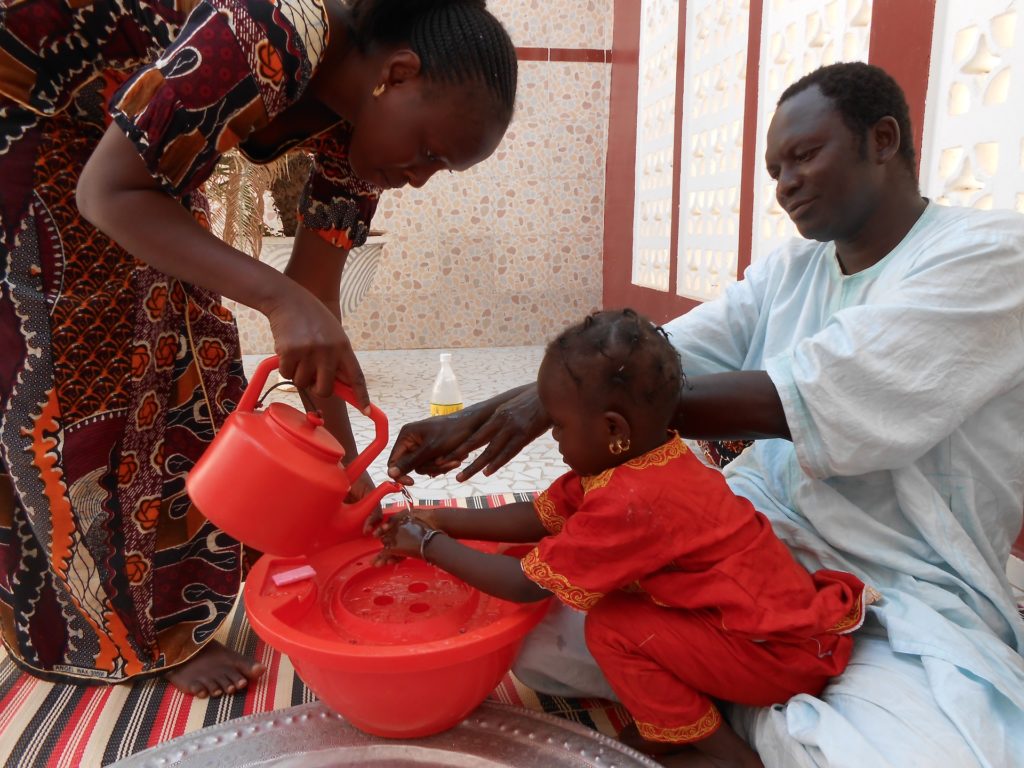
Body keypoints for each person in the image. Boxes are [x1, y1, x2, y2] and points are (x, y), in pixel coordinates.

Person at [386, 62, 1024, 768]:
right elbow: (665, 356)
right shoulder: (793, 269)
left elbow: (805, 393)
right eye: (775, 168)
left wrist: (565, 407)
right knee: (528, 631)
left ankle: (730, 716)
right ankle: (737, 700)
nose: (784, 185)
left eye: (804, 156)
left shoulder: (991, 256)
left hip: (898, 586)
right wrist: (491, 412)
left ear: (882, 139)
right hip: (747, 548)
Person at [0, 0, 517, 698]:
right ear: (397, 74)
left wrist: (350, 482)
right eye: (427, 152)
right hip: (30, 107)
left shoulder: (356, 143)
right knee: (83, 357)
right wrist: (279, 301)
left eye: (441, 169)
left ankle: (163, 605)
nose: (420, 177)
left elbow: (316, 301)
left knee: (189, 335)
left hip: (121, 145)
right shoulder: (273, 27)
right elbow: (108, 190)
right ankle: (127, 635)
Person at [376, 309, 875, 767]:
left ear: (613, 428)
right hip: (770, 630)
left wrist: (427, 546)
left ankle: (722, 753)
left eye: (559, 426)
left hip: (775, 658)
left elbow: (528, 584)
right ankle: (684, 720)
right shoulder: (642, 458)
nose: (554, 439)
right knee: (582, 583)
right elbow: (539, 515)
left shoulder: (634, 501)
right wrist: (436, 518)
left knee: (613, 628)